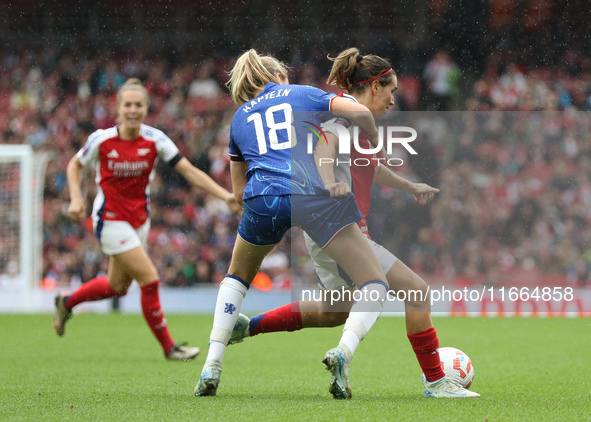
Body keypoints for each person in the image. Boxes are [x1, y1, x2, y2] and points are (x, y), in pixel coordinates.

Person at [228, 48, 480, 398]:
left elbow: (370, 167)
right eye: (390, 91)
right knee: (417, 291)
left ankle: (248, 327)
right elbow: (323, 148)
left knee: (337, 309)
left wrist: (409, 186)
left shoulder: (355, 120)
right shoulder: (342, 117)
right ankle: (436, 382)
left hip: (329, 229)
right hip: (337, 228)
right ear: (374, 87)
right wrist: (329, 181)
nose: (393, 100)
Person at [194, 49, 392, 398]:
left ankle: (212, 364)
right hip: (312, 194)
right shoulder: (303, 93)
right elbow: (359, 111)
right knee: (373, 283)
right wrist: (373, 139)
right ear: (279, 77)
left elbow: (238, 192)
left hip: (263, 197)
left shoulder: (240, 118)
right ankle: (343, 351)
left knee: (237, 277)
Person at [53, 78, 242, 361]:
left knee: (117, 286)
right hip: (110, 218)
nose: (132, 110)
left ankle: (66, 303)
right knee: (150, 280)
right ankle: (170, 348)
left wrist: (224, 195)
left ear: (145, 108)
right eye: (127, 105)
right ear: (118, 108)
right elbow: (75, 164)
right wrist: (77, 199)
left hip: (139, 220)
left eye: (138, 105)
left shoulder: (155, 139)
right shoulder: (102, 139)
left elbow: (189, 172)